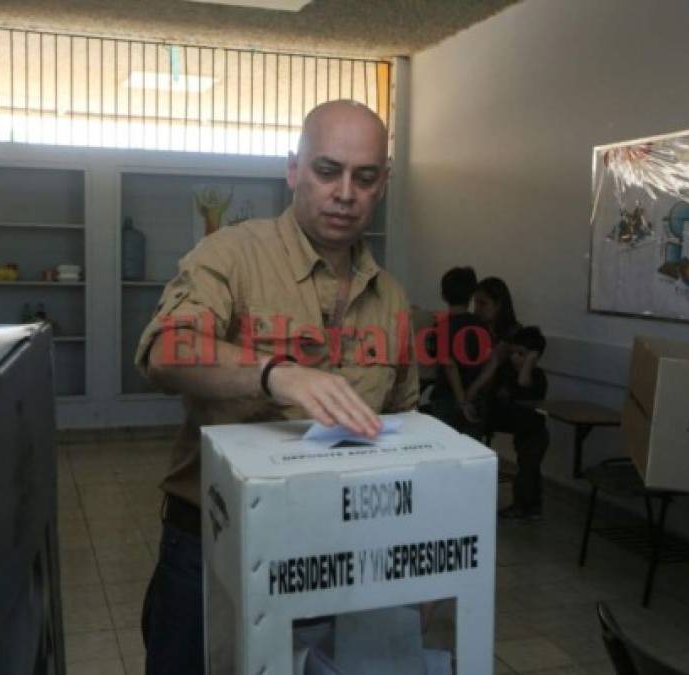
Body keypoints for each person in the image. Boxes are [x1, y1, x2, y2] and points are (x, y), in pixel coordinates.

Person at [133, 100, 419, 675]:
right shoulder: (232, 254)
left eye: (364, 178)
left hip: (335, 548)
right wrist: (276, 372)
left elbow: (405, 426)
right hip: (212, 544)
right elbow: (164, 350)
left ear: (383, 184)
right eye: (326, 170)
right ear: (293, 169)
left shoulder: (390, 297)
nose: (345, 193)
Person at [470, 326, 549, 520]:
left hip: (535, 432)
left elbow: (524, 383)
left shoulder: (537, 377)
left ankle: (526, 507)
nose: (515, 358)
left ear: (534, 357)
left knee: (528, 470)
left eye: (521, 354)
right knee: (526, 469)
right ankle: (527, 506)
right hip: (520, 430)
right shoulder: (506, 373)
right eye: (513, 353)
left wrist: (529, 362)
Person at [425, 266, 488, 438]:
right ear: (471, 295)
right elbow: (492, 361)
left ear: (443, 295)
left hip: (447, 397)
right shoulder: (481, 325)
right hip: (475, 397)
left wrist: (461, 400)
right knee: (472, 451)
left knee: (445, 448)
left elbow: (448, 362)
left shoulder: (443, 325)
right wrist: (473, 390)